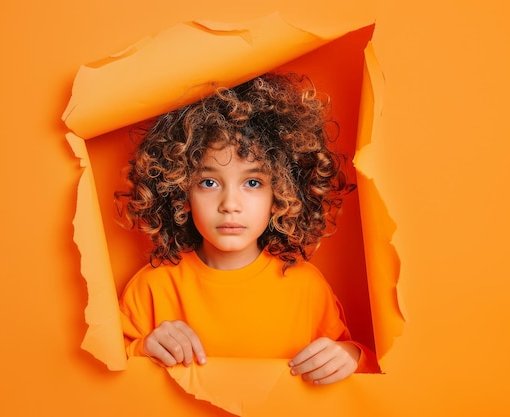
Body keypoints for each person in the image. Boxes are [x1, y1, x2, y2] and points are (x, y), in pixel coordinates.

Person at [116, 73, 378, 385]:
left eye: (252, 182)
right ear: (181, 193)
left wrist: (351, 356)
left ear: (280, 194)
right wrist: (143, 349)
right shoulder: (151, 289)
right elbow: (103, 378)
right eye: (209, 182)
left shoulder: (306, 287)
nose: (230, 204)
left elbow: (360, 378)